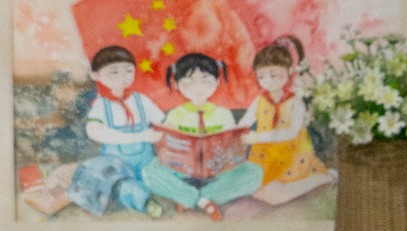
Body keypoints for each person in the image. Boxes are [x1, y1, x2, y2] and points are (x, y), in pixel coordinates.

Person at [141, 52, 263, 220]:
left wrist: (240, 142)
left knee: (254, 172)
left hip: (218, 174)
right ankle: (203, 201)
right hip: (182, 173)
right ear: (177, 85)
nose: (198, 89)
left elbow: (233, 144)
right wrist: (159, 138)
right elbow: (165, 144)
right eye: (189, 82)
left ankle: (192, 198)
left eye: (206, 81)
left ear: (217, 82)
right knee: (150, 171)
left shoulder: (223, 114)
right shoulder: (176, 114)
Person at [67, 45, 165, 218]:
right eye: (114, 72)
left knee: (161, 177)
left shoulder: (141, 100)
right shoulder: (101, 105)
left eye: (128, 71)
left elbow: (163, 122)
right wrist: (140, 136)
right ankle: (145, 203)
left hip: (146, 164)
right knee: (125, 187)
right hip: (116, 169)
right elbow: (94, 132)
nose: (123, 77)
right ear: (96, 76)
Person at [237, 36, 335, 205]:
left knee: (274, 195)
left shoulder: (296, 102)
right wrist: (232, 134)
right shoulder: (259, 101)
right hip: (264, 157)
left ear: (289, 71)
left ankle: (324, 178)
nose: (268, 81)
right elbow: (243, 124)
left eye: (273, 75)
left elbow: (291, 133)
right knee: (256, 191)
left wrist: (258, 137)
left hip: (293, 157)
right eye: (261, 76)